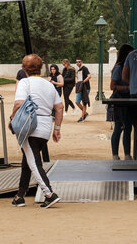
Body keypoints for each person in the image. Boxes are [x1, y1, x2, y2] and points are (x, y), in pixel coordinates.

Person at [10, 53, 63, 208]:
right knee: (28, 160)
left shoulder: (25, 82)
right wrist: (57, 128)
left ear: (24, 69)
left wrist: (12, 119)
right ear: (40, 68)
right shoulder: (49, 84)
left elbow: (19, 103)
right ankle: (20, 195)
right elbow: (59, 108)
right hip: (45, 125)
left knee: (33, 161)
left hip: (30, 125)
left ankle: (49, 194)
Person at [110, 44, 134, 160]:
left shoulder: (128, 67)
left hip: (128, 100)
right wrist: (128, 88)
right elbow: (112, 86)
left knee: (128, 127)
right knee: (119, 127)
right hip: (120, 100)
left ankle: (127, 154)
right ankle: (115, 154)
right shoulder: (119, 68)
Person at [74, 58, 91, 122]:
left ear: (81, 62)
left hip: (86, 87)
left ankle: (82, 116)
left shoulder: (84, 68)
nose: (78, 63)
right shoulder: (78, 70)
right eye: (76, 62)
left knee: (84, 102)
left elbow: (89, 76)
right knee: (77, 102)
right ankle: (85, 113)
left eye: (79, 62)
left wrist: (83, 81)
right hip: (80, 87)